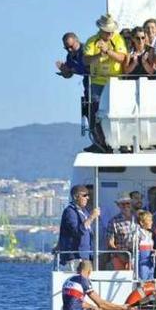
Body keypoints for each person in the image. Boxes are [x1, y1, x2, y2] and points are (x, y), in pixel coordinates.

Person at [83, 14, 128, 151]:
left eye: (111, 31)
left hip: (115, 82)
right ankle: (100, 141)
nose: (110, 34)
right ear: (101, 30)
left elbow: (122, 58)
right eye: (107, 31)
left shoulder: (118, 39)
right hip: (97, 82)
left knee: (119, 112)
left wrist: (108, 51)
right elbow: (86, 61)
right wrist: (99, 54)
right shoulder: (91, 41)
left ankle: (123, 142)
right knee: (95, 111)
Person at [56, 185, 100, 270]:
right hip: (75, 256)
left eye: (88, 195)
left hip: (85, 255)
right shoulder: (70, 212)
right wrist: (91, 217)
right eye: (84, 195)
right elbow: (77, 231)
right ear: (76, 197)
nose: (87, 198)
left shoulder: (84, 211)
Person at [106, 192, 137, 270]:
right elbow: (110, 243)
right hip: (120, 257)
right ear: (118, 205)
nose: (125, 206)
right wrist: (119, 254)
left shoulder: (138, 218)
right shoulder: (113, 221)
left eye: (127, 203)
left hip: (137, 257)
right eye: (122, 204)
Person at [135, 210, 156, 280]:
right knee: (142, 282)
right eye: (149, 220)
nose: (151, 222)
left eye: (151, 220)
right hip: (141, 263)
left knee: (150, 282)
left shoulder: (149, 233)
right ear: (142, 222)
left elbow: (150, 248)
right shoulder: (138, 233)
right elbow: (134, 248)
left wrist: (154, 251)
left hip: (150, 262)